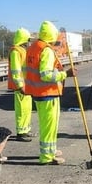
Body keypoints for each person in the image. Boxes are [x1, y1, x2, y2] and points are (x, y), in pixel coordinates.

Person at [23, 21, 74, 165]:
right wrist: (65, 74)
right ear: (52, 34)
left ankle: (51, 150)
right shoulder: (46, 50)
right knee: (49, 126)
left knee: (46, 125)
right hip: (47, 93)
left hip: (38, 94)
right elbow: (46, 74)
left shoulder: (33, 48)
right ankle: (46, 156)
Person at [8, 27, 34, 142]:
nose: (29, 42)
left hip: (26, 85)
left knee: (27, 109)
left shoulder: (23, 50)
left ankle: (26, 130)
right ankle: (21, 132)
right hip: (21, 87)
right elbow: (16, 70)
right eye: (28, 39)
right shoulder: (16, 51)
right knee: (21, 110)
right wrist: (20, 85)